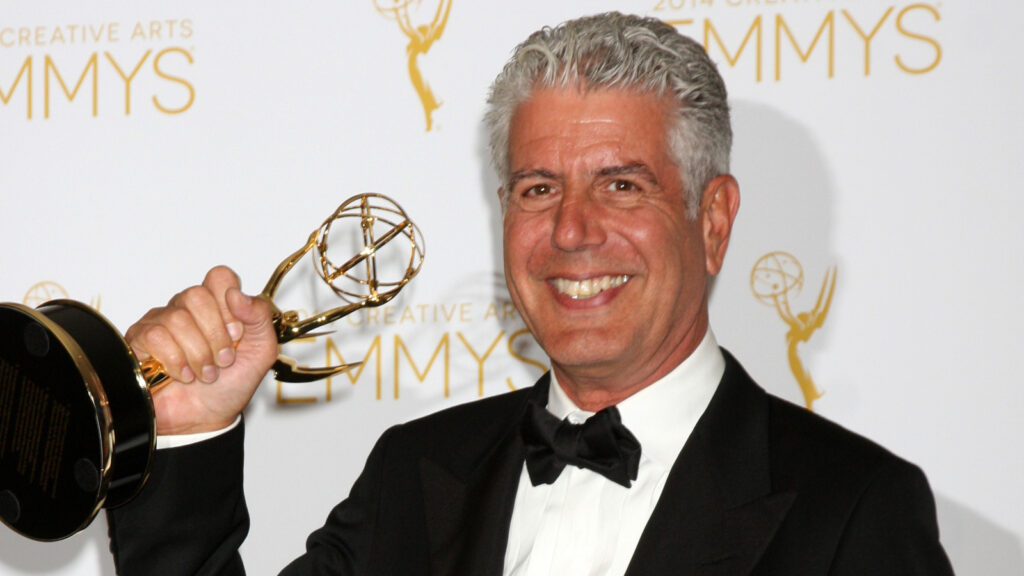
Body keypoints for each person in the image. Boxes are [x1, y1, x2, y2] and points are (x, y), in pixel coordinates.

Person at [107, 12, 955, 576]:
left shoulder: (853, 511)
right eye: (539, 188)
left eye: (622, 185)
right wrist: (186, 432)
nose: (573, 231)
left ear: (713, 221)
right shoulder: (414, 473)